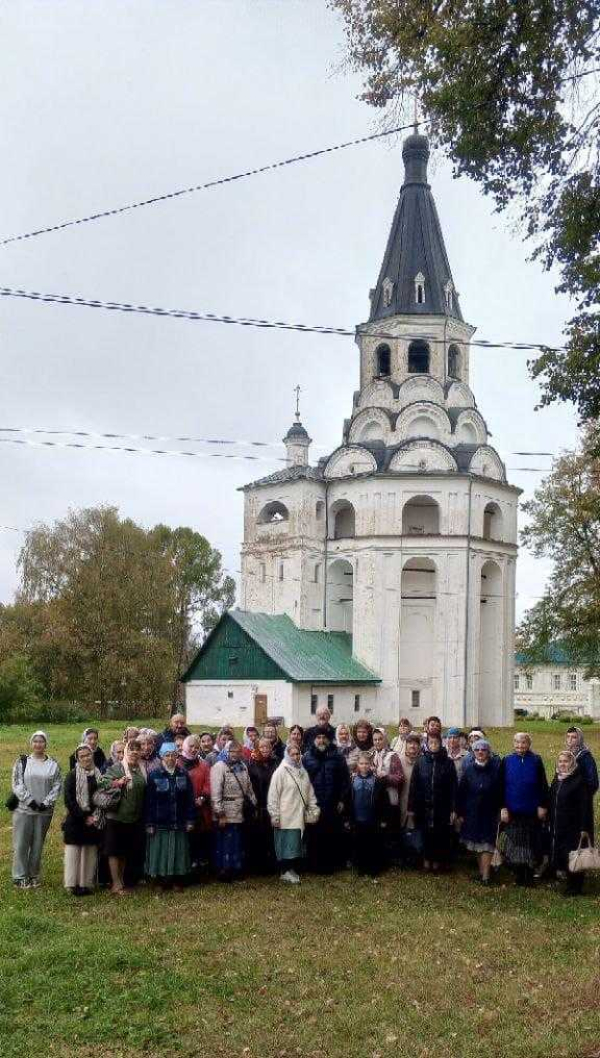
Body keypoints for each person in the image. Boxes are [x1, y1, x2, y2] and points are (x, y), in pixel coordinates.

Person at [11, 731, 62, 889]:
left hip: (44, 812)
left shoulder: (53, 764)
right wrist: (30, 801)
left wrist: (46, 803)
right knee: (21, 844)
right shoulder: (22, 761)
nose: (38, 744)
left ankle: (33, 875)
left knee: (38, 844)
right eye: (35, 741)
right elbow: (17, 783)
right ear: (31, 743)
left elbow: (57, 785)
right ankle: (19, 876)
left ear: (46, 744)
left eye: (41, 741)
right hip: (24, 810)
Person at [498, 732, 549, 886]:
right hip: (513, 811)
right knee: (516, 844)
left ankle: (529, 873)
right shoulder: (506, 760)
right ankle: (519, 874)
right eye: (518, 743)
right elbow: (500, 786)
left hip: (531, 811)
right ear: (514, 744)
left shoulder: (536, 760)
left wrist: (542, 805)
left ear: (529, 744)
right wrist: (503, 808)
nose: (520, 746)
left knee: (531, 844)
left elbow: (543, 785)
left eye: (524, 743)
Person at [145, 743, 196, 890]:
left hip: (179, 821)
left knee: (178, 852)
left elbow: (189, 799)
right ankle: (161, 881)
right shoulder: (154, 775)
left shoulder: (183, 773)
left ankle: (177, 880)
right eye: (167, 755)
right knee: (160, 852)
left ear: (177, 756)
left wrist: (190, 819)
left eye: (173, 754)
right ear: (161, 756)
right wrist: (149, 823)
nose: (171, 758)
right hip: (160, 822)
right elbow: (149, 802)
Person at [268, 744, 320, 883]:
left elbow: (309, 792)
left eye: (298, 754)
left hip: (299, 814)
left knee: (296, 843)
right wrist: (275, 815)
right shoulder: (280, 772)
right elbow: (273, 795)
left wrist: (313, 808)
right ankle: (285, 871)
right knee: (286, 843)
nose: (296, 757)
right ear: (287, 755)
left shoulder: (302, 771)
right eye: (293, 754)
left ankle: (292, 869)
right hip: (286, 815)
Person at [407, 733, 458, 872]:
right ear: (427, 744)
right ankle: (426, 861)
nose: (434, 745)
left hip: (442, 806)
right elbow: (413, 786)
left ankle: (437, 862)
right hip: (423, 806)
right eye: (431, 742)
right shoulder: (421, 761)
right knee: (425, 834)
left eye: (436, 742)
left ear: (441, 743)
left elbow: (453, 786)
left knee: (439, 835)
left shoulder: (448, 762)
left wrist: (454, 808)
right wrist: (411, 808)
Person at [102, 739, 147, 894]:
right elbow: (103, 783)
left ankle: (121, 880)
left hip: (134, 818)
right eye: (131, 749)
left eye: (138, 749)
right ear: (126, 751)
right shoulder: (117, 767)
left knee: (125, 851)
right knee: (114, 850)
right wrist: (118, 782)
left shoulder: (141, 769)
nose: (134, 752)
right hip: (116, 817)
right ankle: (115, 883)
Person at [303, 731, 350, 873]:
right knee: (315, 835)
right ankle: (314, 865)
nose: (321, 740)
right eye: (318, 737)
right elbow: (303, 782)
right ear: (313, 740)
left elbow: (345, 780)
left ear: (329, 740)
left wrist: (342, 799)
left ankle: (332, 864)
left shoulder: (337, 757)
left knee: (332, 834)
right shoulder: (307, 758)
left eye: (324, 738)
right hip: (314, 803)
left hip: (332, 803)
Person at [548, 749, 594, 896]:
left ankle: (576, 886)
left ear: (572, 763)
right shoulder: (557, 779)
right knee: (562, 853)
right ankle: (569, 882)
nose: (562, 764)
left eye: (566, 761)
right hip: (558, 823)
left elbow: (585, 806)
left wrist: (584, 827)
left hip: (574, 826)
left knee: (573, 853)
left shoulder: (579, 781)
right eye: (560, 761)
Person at [210, 740, 257, 881]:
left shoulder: (242, 766)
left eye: (238, 751)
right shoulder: (219, 767)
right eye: (232, 751)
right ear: (226, 751)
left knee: (237, 843)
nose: (235, 754)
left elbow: (248, 787)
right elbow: (215, 793)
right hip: (226, 811)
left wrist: (254, 804)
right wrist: (220, 814)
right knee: (225, 843)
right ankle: (224, 872)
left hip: (240, 811)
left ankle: (236, 870)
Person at [457, 739, 501, 884]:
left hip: (489, 813)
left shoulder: (496, 770)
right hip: (472, 813)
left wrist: (501, 809)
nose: (480, 752)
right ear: (473, 753)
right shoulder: (469, 769)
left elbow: (502, 791)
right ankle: (482, 872)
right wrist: (460, 813)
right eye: (477, 750)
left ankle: (486, 877)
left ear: (488, 752)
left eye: (483, 750)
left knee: (487, 844)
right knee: (476, 844)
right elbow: (461, 792)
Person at [62, 744, 103, 896]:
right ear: (77, 759)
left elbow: (102, 795)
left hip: (94, 819)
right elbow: (69, 800)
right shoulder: (72, 775)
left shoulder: (98, 774)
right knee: (74, 853)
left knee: (89, 852)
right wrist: (84, 816)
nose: (86, 758)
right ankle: (72, 884)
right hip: (76, 820)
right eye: (82, 756)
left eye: (88, 755)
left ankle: (86, 883)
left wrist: (95, 816)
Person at [178, 735, 212, 878]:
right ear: (184, 746)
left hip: (200, 808)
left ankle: (200, 872)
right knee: (185, 842)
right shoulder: (177, 763)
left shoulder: (203, 764)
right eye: (191, 746)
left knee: (200, 840)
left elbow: (208, 783)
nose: (193, 749)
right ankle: (185, 871)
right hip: (182, 808)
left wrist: (203, 797)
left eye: (196, 747)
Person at [349, 753, 388, 876]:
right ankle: (361, 867)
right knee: (360, 843)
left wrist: (383, 819)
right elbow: (348, 800)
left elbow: (384, 801)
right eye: (361, 763)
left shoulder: (377, 781)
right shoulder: (353, 780)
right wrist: (348, 819)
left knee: (372, 844)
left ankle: (373, 868)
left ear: (371, 765)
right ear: (357, 765)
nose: (364, 766)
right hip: (358, 818)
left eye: (366, 763)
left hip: (372, 819)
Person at [372, 728, 404, 862]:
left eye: (380, 739)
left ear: (385, 739)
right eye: (375, 739)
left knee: (391, 829)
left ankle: (394, 858)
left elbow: (400, 778)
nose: (378, 742)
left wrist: (386, 776)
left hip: (390, 798)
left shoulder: (393, 756)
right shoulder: (373, 755)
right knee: (380, 828)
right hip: (378, 798)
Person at [247, 737, 278, 874]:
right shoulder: (251, 764)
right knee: (258, 836)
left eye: (267, 747)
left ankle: (272, 864)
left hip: (273, 805)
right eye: (262, 747)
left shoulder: (276, 763)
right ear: (257, 749)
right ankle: (258, 866)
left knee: (272, 837)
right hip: (258, 807)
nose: (265, 750)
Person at [565, 727, 598, 838]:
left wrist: (582, 794)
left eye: (574, 737)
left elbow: (593, 782)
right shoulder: (566, 755)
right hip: (566, 802)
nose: (570, 740)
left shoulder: (585, 757)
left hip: (581, 804)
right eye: (568, 737)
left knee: (580, 834)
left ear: (580, 739)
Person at [398, 734, 421, 864]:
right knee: (402, 828)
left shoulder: (422, 761)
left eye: (415, 743)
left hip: (417, 803)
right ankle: (403, 856)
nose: (412, 746)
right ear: (405, 745)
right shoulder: (399, 760)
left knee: (415, 830)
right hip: (402, 800)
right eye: (410, 743)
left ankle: (415, 856)